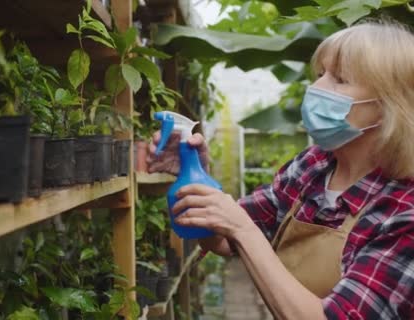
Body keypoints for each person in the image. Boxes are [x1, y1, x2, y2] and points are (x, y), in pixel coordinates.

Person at [147, 20, 414, 319]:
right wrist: (194, 172)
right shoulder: (312, 167)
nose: (316, 87)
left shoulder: (404, 212)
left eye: (339, 78)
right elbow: (222, 240)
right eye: (320, 74)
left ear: (390, 105)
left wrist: (242, 228)